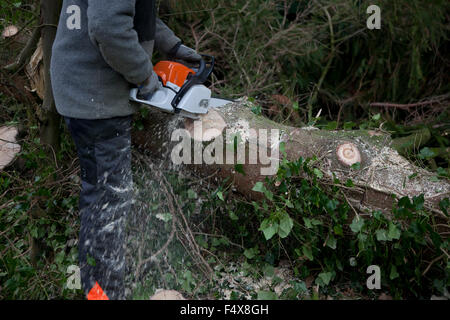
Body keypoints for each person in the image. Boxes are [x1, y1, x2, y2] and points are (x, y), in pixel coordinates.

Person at [50, 0, 201, 300]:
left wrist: (172, 46)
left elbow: (130, 13)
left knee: (99, 198)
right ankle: (104, 294)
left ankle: (98, 290)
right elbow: (108, 26)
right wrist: (145, 75)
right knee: (108, 204)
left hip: (84, 88)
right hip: (94, 97)